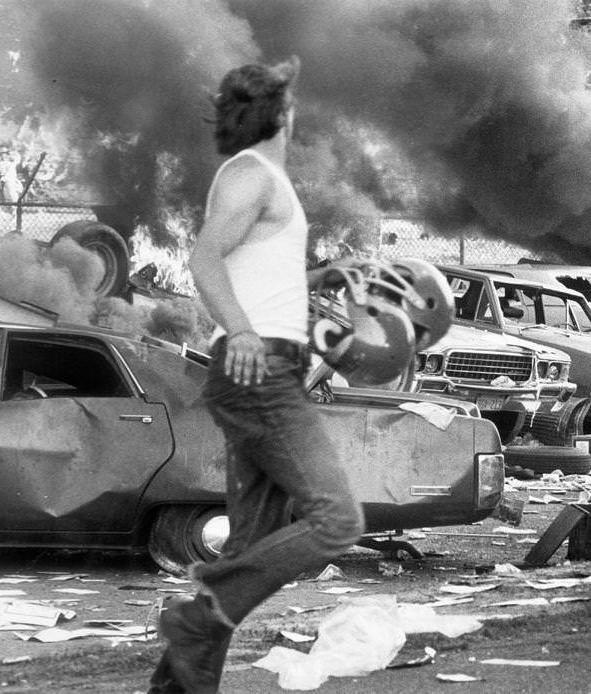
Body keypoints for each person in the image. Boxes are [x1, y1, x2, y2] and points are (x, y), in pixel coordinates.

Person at [148, 58, 364, 694]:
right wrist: (241, 331)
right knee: (336, 520)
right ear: (283, 115)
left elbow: (247, 272)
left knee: (251, 547)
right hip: (258, 368)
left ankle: (177, 685)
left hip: (269, 366)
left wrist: (312, 285)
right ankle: (202, 606)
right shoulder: (254, 176)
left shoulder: (256, 178)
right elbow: (204, 257)